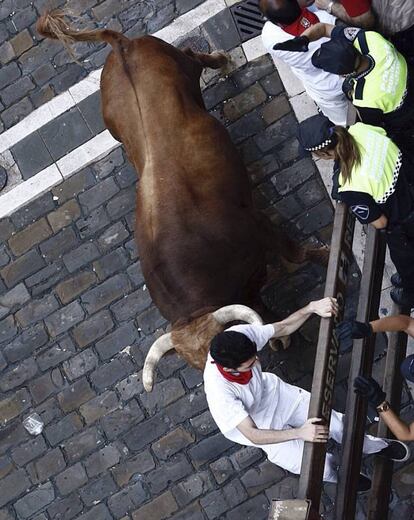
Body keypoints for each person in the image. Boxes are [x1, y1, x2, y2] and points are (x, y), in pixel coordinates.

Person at [203, 297, 410, 488]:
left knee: (338, 425)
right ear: (230, 369)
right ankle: (340, 475)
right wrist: (299, 432)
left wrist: (311, 308)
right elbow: (253, 434)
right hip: (261, 425)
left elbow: (283, 328)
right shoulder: (220, 394)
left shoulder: (240, 336)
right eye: (249, 364)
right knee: (314, 465)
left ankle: (378, 447)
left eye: (255, 356)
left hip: (277, 395)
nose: (257, 362)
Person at [297, 114, 414, 307]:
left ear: (325, 154)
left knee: (406, 260)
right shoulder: (360, 129)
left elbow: (380, 222)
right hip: (408, 181)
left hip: (405, 219)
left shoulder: (349, 184)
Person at [274, 22, 414, 145]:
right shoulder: (369, 39)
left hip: (404, 115)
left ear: (343, 75)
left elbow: (374, 129)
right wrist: (304, 38)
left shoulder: (364, 98)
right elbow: (323, 28)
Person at [259, 0, 349, 125]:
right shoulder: (327, 18)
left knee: (343, 121)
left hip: (325, 88)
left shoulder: (269, 36)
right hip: (351, 73)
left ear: (277, 23)